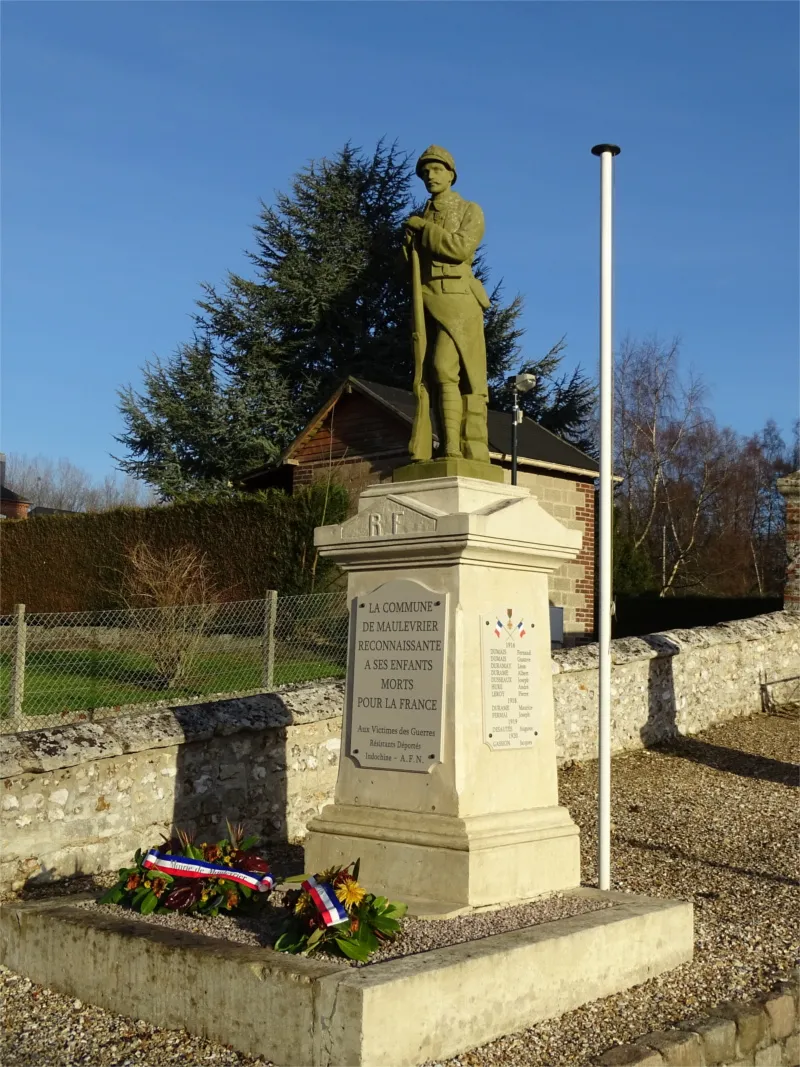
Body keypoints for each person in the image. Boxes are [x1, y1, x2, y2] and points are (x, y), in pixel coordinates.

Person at [404, 145, 492, 465]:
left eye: (437, 169)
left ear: (451, 174)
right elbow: (410, 265)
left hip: (457, 300)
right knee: (428, 378)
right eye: (425, 171)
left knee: (446, 368)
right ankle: (442, 447)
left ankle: (457, 447)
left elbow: (458, 248)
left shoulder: (469, 210)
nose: (430, 175)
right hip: (425, 301)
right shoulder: (422, 216)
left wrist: (424, 230)